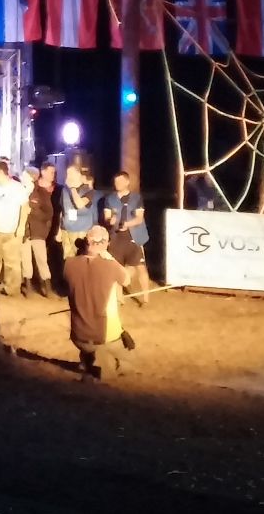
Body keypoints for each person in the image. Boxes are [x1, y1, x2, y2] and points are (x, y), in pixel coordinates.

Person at [63, 226, 135, 380]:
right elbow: (126, 279)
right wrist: (108, 257)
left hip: (78, 336)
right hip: (102, 336)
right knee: (128, 362)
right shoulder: (110, 266)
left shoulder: (68, 264)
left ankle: (87, 360)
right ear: (105, 244)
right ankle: (101, 367)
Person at [99, 171, 151, 306]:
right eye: (116, 181)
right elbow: (107, 217)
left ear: (127, 182)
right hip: (116, 237)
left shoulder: (136, 198)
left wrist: (127, 224)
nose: (118, 184)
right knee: (117, 267)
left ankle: (146, 298)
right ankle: (119, 298)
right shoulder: (110, 199)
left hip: (134, 236)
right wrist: (111, 221)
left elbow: (139, 218)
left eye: (121, 181)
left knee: (140, 267)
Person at [0, 160, 27, 296]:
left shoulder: (17, 188)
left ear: (0, 172)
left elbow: (24, 207)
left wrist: (21, 226)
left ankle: (12, 289)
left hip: (12, 231)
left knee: (12, 262)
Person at [23, 163, 59, 298]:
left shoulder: (42, 193)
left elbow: (49, 213)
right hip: (25, 231)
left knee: (41, 259)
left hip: (38, 231)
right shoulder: (24, 192)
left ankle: (47, 287)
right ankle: (28, 286)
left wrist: (33, 212)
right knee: (25, 259)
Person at [59, 162, 97, 265]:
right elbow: (62, 210)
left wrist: (73, 189)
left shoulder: (88, 190)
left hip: (81, 231)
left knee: (80, 258)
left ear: (79, 175)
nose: (68, 177)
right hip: (66, 229)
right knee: (68, 259)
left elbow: (79, 204)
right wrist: (59, 229)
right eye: (67, 174)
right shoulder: (64, 190)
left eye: (71, 174)